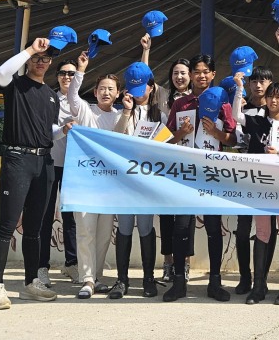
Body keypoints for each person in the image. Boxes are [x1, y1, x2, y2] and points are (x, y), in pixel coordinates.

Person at [0, 37, 60, 310]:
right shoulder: (15, 85)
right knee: (6, 225)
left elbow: (46, 130)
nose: (41, 61)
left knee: (35, 228)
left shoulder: (52, 96)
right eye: (37, 57)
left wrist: (63, 130)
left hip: (44, 163)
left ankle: (31, 283)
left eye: (45, 58)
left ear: (50, 63)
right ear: (28, 60)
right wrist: (30, 48)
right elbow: (1, 72)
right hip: (17, 159)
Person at [163, 54, 237, 303]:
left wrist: (216, 132)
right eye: (197, 71)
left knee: (214, 229)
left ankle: (215, 282)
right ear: (191, 75)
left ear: (213, 74)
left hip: (212, 174)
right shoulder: (180, 104)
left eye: (206, 71)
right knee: (181, 228)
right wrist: (179, 133)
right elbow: (164, 139)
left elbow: (233, 140)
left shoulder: (223, 103)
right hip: (185, 174)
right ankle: (179, 283)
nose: (201, 75)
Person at [231, 73, 279, 305]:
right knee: (262, 233)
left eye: (278, 97)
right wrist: (240, 88)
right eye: (270, 97)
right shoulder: (257, 120)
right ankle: (259, 286)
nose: (273, 101)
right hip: (260, 186)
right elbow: (235, 116)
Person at [67, 52, 122, 299]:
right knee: (85, 230)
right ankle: (86, 278)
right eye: (101, 88)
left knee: (102, 233)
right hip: (85, 182)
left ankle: (96, 276)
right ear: (95, 91)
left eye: (111, 89)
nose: (106, 92)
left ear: (118, 93)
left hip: (109, 186)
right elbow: (71, 96)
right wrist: (80, 70)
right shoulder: (85, 111)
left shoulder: (121, 116)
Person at [109, 61, 165, 300]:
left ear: (151, 87)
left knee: (144, 227)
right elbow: (115, 137)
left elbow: (164, 144)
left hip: (146, 180)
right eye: (133, 88)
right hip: (123, 180)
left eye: (142, 87)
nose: (138, 92)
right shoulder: (122, 110)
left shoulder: (159, 113)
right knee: (123, 227)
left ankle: (148, 278)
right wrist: (126, 111)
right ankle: (122, 280)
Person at [140, 34, 192, 283]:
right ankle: (168, 263)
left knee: (186, 218)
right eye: (175, 73)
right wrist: (147, 50)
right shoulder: (163, 97)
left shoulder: (199, 98)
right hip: (165, 165)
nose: (179, 77)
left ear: (191, 75)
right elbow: (146, 78)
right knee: (167, 218)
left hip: (190, 165)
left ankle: (186, 264)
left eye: (183, 73)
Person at [37, 59, 79, 287]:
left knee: (71, 218)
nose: (67, 77)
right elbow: (46, 131)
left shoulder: (82, 103)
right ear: (57, 76)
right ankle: (41, 266)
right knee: (44, 216)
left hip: (74, 167)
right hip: (50, 163)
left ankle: (71, 263)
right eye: (63, 73)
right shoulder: (48, 98)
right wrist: (63, 130)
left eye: (72, 74)